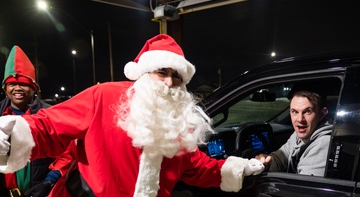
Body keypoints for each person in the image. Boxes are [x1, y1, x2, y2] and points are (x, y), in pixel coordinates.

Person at [0, 34, 264, 197]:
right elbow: (50, 127)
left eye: (177, 76)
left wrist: (240, 168)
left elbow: (198, 168)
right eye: (162, 72)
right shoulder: (104, 96)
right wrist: (9, 135)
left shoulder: (178, 125)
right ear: (145, 72)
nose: (170, 83)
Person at [0, 46, 62, 197]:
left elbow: (66, 154)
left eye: (24, 84)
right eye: (12, 84)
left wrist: (49, 182)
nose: (17, 88)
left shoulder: (49, 115)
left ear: (34, 88)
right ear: (5, 88)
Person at [255, 84, 333, 176]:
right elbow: (281, 158)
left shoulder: (323, 143)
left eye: (308, 111)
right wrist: (266, 162)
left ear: (322, 114)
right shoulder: (298, 135)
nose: (300, 119)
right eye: (295, 112)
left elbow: (303, 188)